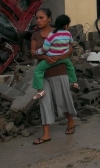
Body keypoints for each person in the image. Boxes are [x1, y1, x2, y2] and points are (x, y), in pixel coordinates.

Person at [31, 8, 77, 144]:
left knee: (62, 99)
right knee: (44, 102)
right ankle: (46, 134)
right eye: (37, 18)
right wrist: (45, 57)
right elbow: (33, 53)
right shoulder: (35, 35)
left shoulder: (58, 32)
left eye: (41, 18)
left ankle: (70, 121)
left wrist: (61, 57)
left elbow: (70, 48)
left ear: (49, 19)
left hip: (59, 70)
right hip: (43, 73)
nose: (38, 21)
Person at [32, 14, 78, 100]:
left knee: (38, 70)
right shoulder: (68, 33)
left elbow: (45, 49)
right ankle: (74, 82)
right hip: (64, 59)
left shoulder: (51, 35)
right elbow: (71, 43)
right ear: (66, 25)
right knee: (70, 67)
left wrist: (36, 52)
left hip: (51, 59)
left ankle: (40, 91)